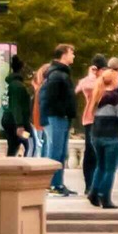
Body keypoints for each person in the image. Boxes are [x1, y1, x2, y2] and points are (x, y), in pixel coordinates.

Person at [83, 63, 118, 207]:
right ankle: (105, 196)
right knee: (110, 168)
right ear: (114, 81)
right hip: (111, 135)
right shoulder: (116, 97)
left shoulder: (98, 95)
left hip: (96, 135)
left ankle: (93, 192)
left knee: (100, 166)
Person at [36, 47, 80, 191]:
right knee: (55, 152)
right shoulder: (57, 75)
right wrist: (62, 112)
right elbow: (48, 99)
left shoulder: (60, 73)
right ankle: (51, 184)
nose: (73, 55)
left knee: (61, 152)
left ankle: (58, 183)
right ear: (64, 55)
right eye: (71, 53)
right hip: (56, 116)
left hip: (60, 116)